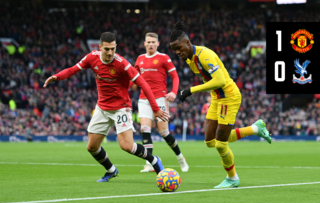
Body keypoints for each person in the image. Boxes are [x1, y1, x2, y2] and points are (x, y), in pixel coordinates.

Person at [43, 32, 169, 182]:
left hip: (121, 108)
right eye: (107, 49)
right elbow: (72, 70)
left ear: (115, 47)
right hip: (102, 108)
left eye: (113, 49)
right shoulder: (92, 58)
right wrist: (56, 76)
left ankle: (154, 161)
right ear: (100, 47)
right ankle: (111, 170)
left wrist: (155, 108)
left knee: (127, 146)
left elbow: (143, 84)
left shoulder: (122, 63)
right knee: (92, 147)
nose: (110, 53)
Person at [169, 21, 272, 189]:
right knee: (210, 141)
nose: (178, 52)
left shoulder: (204, 55)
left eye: (179, 48)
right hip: (216, 98)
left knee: (220, 144)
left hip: (229, 97)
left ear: (188, 42)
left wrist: (191, 90)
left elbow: (220, 80)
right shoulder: (189, 58)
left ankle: (232, 179)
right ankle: (255, 129)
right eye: (175, 50)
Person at [134, 32, 189, 173]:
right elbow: (133, 80)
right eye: (148, 42)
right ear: (145, 43)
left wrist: (173, 92)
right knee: (144, 129)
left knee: (164, 132)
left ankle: (180, 157)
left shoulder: (164, 58)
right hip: (144, 99)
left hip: (160, 99)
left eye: (153, 42)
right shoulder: (139, 59)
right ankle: (150, 163)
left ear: (158, 44)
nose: (151, 44)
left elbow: (175, 76)